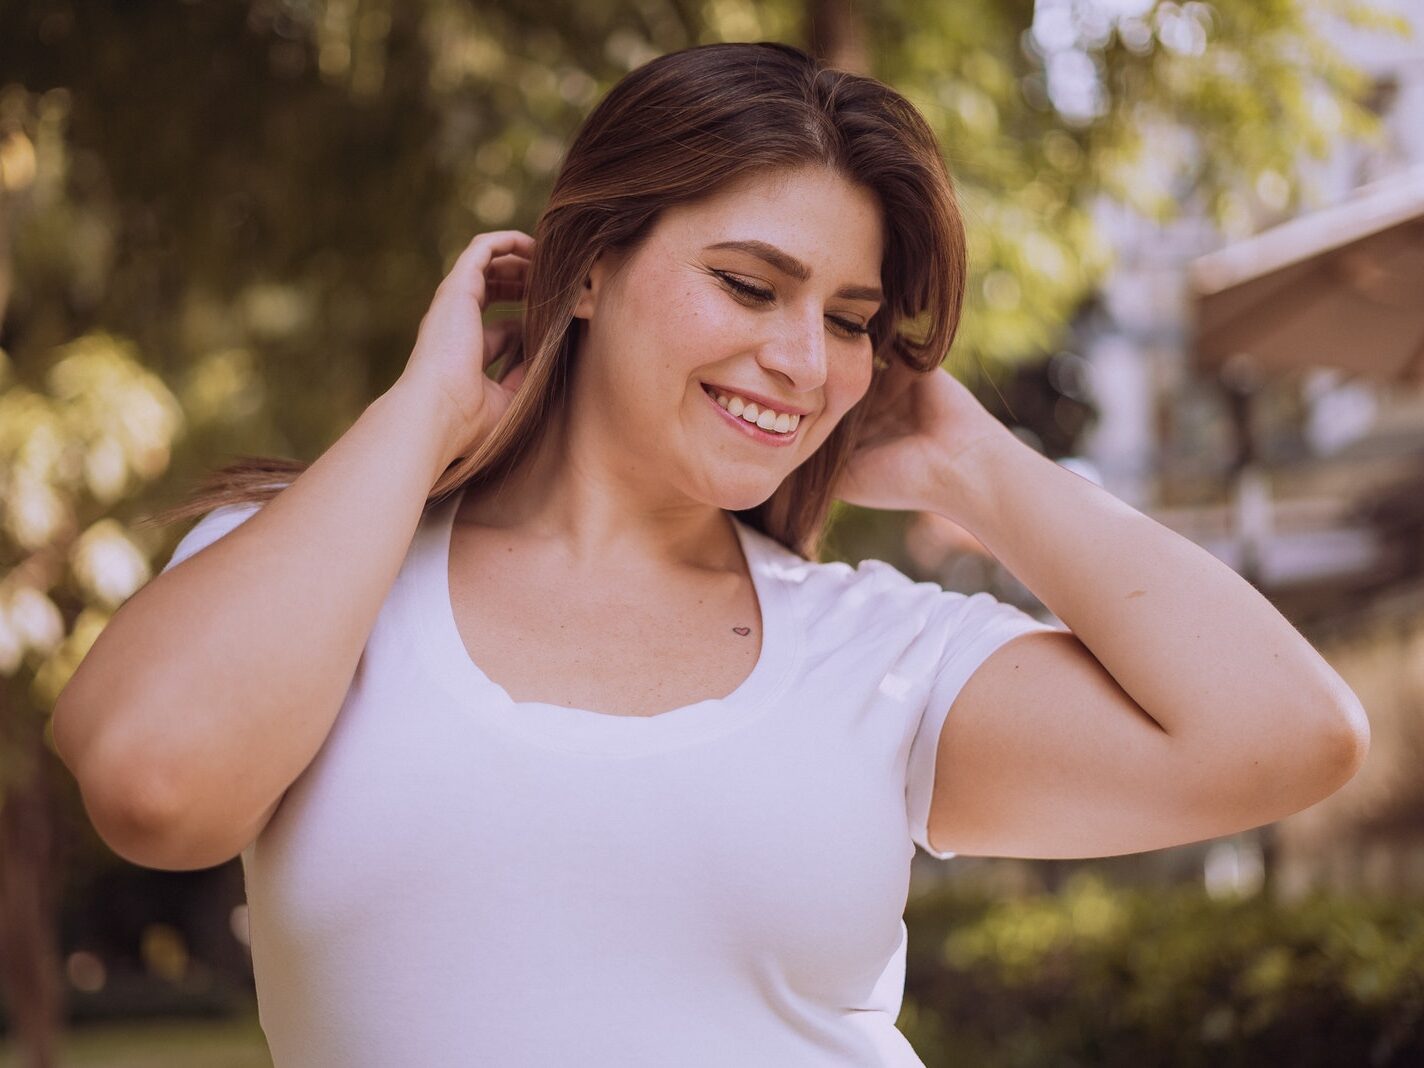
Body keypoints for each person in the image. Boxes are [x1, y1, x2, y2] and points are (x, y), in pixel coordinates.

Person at [53, 40, 1369, 1068]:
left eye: (851, 319)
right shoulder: (315, 578)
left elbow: (1289, 737)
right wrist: (424, 413)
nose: (804, 361)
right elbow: (154, 786)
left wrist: (983, 471)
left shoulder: (874, 651)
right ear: (585, 272)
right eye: (750, 286)